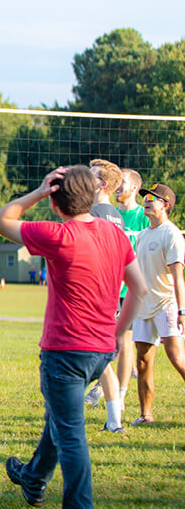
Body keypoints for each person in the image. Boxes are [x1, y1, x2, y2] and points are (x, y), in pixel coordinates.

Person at [0, 165, 145, 508]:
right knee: (60, 417)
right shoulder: (115, 233)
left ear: (56, 204)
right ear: (94, 196)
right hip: (100, 351)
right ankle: (33, 476)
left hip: (64, 353)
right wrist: (118, 335)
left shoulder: (57, 235)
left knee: (71, 435)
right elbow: (139, 288)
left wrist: (39, 191)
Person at [130, 183, 185, 426]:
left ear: (165, 204)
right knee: (142, 361)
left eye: (153, 198)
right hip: (144, 307)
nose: (147, 201)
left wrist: (182, 311)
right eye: (146, 197)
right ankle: (146, 415)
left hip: (167, 305)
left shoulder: (171, 234)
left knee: (177, 358)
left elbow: (178, 278)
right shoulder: (143, 235)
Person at [81, 159, 124, 432]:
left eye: (91, 174)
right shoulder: (116, 215)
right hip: (111, 294)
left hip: (92, 294)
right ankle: (114, 420)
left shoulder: (92, 211)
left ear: (103, 184)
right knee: (103, 359)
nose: (86, 177)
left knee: (84, 358)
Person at [114, 168, 149, 408]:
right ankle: (108, 383)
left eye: (122, 182)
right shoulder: (109, 215)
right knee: (106, 339)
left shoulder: (144, 217)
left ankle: (121, 396)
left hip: (131, 291)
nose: (117, 186)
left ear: (135, 188)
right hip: (108, 288)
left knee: (126, 341)